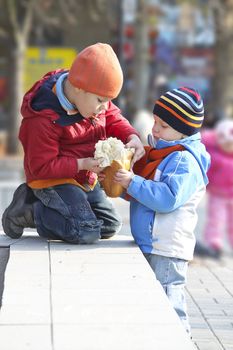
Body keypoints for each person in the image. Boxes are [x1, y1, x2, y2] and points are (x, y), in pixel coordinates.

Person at [2, 42, 144, 244]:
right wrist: (82, 164)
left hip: (83, 178)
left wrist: (131, 135)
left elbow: (112, 116)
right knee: (85, 232)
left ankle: (65, 214)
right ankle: (30, 209)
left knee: (110, 224)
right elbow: (41, 167)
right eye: (100, 101)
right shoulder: (43, 118)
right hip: (51, 180)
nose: (103, 108)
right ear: (78, 88)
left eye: (108, 101)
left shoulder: (91, 95)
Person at [114, 87, 210, 334]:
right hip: (153, 243)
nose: (155, 129)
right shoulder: (162, 153)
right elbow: (145, 194)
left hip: (167, 247)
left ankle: (180, 340)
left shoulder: (183, 160)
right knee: (153, 305)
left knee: (169, 304)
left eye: (163, 125)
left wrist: (132, 182)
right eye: (155, 121)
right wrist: (121, 183)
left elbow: (167, 198)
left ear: (184, 129)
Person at [200, 119, 233, 258]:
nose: (229, 147)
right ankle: (214, 243)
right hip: (217, 195)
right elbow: (207, 172)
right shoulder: (215, 156)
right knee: (216, 219)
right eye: (226, 144)